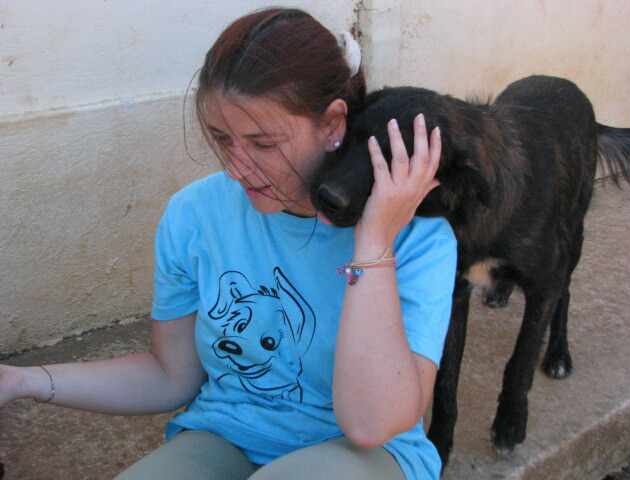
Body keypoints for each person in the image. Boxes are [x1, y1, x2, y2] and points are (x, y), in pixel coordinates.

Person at [0, 7, 457, 480]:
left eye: (263, 144)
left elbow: (372, 424)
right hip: (227, 434)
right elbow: (170, 375)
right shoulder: (195, 214)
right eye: (222, 139)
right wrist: (22, 380)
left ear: (333, 124)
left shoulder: (419, 239)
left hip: (363, 454)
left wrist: (374, 242)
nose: (237, 168)